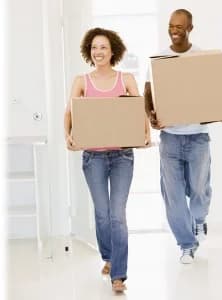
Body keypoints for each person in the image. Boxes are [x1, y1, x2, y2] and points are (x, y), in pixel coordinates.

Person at [144, 9, 222, 264]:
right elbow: (148, 91)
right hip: (170, 138)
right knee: (172, 196)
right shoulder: (160, 59)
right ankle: (186, 244)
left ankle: (200, 219)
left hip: (197, 138)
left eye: (180, 27)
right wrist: (151, 115)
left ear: (190, 29)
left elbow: (219, 94)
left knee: (198, 190)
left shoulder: (201, 58)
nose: (174, 30)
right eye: (171, 26)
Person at [64, 27, 148, 292]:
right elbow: (69, 113)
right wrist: (67, 136)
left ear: (113, 51)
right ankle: (109, 257)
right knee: (102, 215)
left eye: (103, 47)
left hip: (122, 156)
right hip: (94, 158)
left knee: (117, 215)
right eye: (93, 48)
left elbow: (139, 110)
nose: (98, 52)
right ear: (89, 52)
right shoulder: (81, 81)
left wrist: (145, 134)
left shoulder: (126, 79)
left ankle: (118, 276)